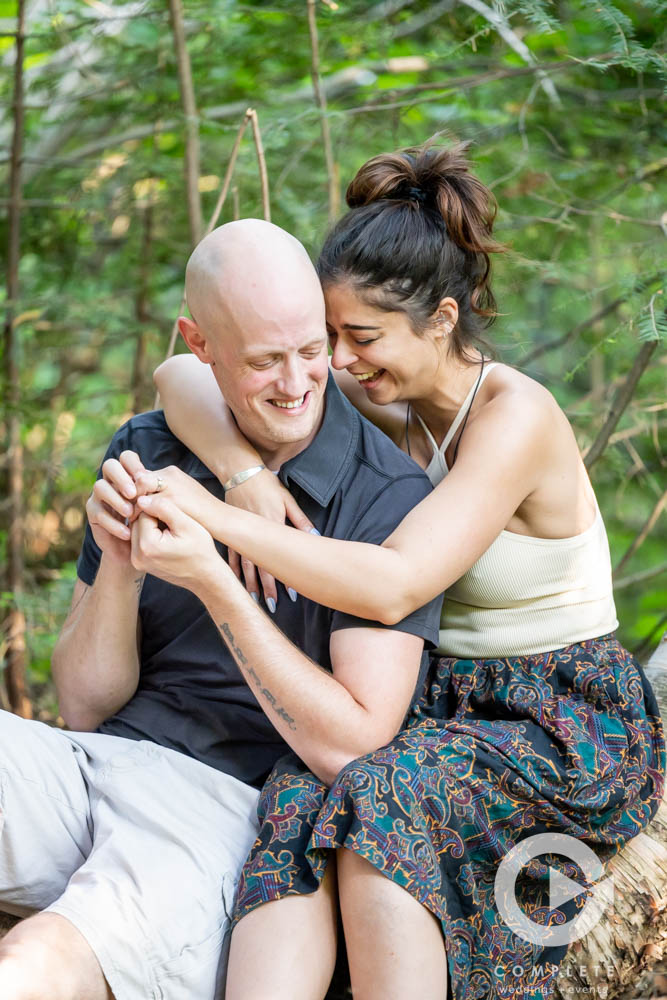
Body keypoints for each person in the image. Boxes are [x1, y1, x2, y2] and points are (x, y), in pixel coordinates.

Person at [151, 139, 666, 1000]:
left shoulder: (515, 415)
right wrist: (242, 480)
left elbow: (395, 582)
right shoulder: (382, 404)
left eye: (360, 338)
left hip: (556, 717)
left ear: (443, 318)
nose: (339, 364)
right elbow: (180, 373)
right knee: (295, 792)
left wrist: (206, 518)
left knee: (383, 796)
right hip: (438, 705)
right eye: (329, 339)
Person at [0, 221, 443, 1000]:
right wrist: (120, 574)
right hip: (89, 767)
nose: (297, 383)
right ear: (198, 344)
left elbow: (351, 748)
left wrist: (215, 581)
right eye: (265, 361)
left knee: (34, 961)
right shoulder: (152, 442)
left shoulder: (387, 497)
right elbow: (81, 703)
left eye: (312, 350)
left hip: (221, 811)